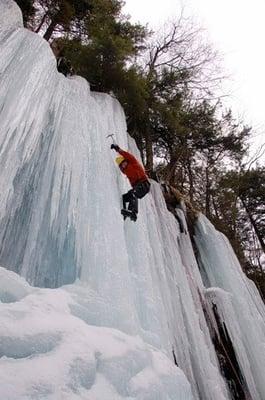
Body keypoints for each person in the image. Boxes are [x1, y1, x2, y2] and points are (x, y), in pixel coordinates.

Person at [111, 144, 150, 221]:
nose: (123, 165)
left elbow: (127, 155)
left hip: (144, 184)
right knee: (124, 197)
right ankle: (125, 213)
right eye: (121, 165)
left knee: (133, 193)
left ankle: (134, 213)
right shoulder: (126, 173)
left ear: (126, 160)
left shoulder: (133, 162)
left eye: (124, 162)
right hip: (138, 188)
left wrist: (118, 149)